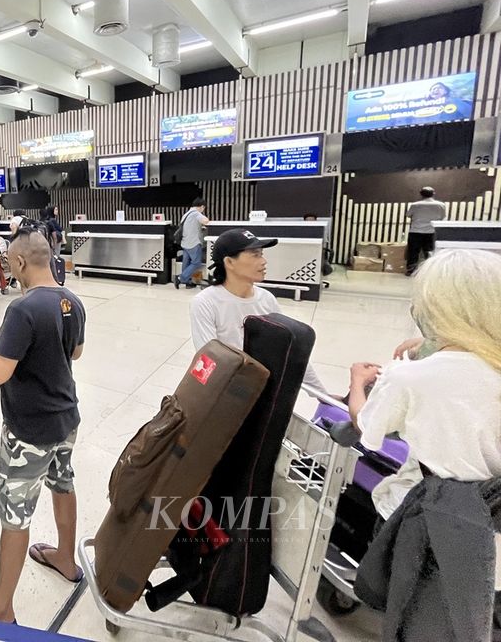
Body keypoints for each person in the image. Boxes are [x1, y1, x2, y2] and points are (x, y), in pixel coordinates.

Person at [0, 229, 87, 625]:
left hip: (29, 430)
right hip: (67, 417)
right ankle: (66, 558)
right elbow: (75, 352)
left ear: (18, 263)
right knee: (63, 483)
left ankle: (0, 608)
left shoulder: (22, 309)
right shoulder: (72, 300)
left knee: (15, 515)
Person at [347, 249, 501, 522]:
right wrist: (429, 343)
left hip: (419, 518)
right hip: (490, 517)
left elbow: (367, 427)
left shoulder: (410, 378)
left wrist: (357, 381)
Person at [190, 228, 325, 392]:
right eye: (255, 255)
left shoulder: (267, 300)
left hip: (263, 389)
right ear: (229, 262)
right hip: (226, 393)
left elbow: (290, 351)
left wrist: (322, 395)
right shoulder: (205, 302)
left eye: (261, 254)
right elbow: (209, 359)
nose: (263, 261)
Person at [404, 186, 446, 276]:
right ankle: (430, 271)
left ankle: (411, 270)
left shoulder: (415, 205)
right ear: (433, 193)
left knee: (413, 252)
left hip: (416, 231)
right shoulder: (441, 205)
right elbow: (442, 217)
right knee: (429, 251)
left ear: (421, 194)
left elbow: (408, 215)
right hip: (431, 231)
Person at [174, 198, 210, 290]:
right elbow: (206, 221)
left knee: (186, 262)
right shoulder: (196, 213)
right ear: (202, 206)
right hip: (194, 243)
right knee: (196, 263)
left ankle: (188, 283)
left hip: (185, 242)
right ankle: (180, 278)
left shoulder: (186, 214)